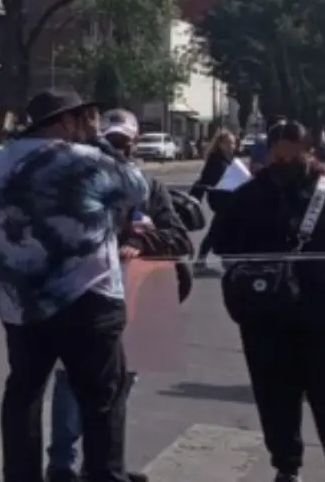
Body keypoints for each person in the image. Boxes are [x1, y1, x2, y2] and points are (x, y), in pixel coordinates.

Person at [0, 90, 149, 482]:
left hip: (21, 303)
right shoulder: (82, 160)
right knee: (101, 397)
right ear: (65, 120)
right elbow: (138, 188)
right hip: (87, 297)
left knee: (24, 393)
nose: (90, 124)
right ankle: (104, 475)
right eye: (84, 117)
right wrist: (101, 140)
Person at [45, 108, 193, 482]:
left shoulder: (148, 187)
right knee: (69, 380)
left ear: (135, 144)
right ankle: (61, 464)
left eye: (124, 144)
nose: (117, 151)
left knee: (120, 383)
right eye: (110, 143)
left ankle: (106, 464)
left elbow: (178, 240)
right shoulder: (73, 184)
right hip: (82, 293)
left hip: (135, 296)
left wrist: (140, 242)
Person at [211, 120, 325, 482]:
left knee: (284, 393)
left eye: (292, 156)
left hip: (302, 314)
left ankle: (286, 467)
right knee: (275, 395)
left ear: (309, 152)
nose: (286, 164)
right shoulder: (248, 195)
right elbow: (224, 244)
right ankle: (287, 466)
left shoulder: (250, 193)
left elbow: (223, 246)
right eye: (280, 157)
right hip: (268, 317)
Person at [190, 128, 237, 266]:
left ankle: (214, 257)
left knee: (220, 227)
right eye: (229, 143)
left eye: (233, 143)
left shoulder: (226, 159)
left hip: (226, 197)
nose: (232, 146)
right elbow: (208, 179)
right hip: (220, 198)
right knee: (218, 227)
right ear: (221, 144)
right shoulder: (216, 160)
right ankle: (217, 257)